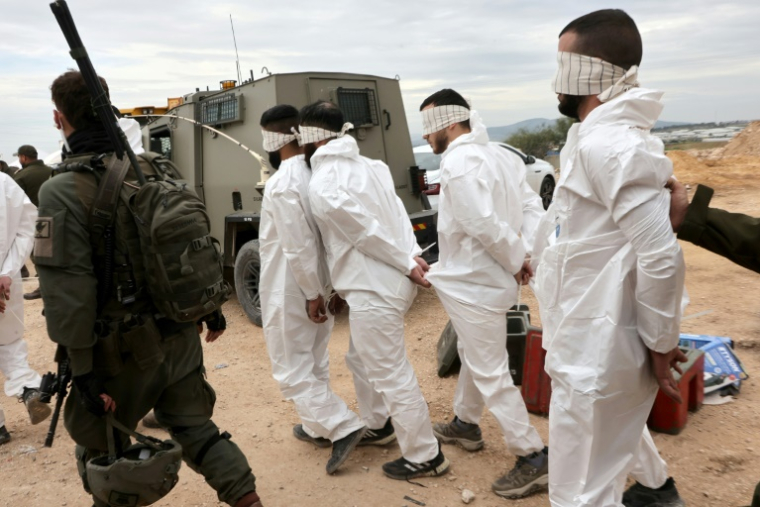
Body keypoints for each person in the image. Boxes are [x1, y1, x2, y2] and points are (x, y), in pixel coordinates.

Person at [36, 70, 262, 507]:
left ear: (58, 118)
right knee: (197, 430)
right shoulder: (156, 168)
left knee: (104, 449)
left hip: (120, 353)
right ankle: (249, 501)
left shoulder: (61, 190)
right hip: (179, 335)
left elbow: (68, 291)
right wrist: (209, 305)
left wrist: (82, 369)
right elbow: (191, 242)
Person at [532, 10, 687, 507]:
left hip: (597, 346)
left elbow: (661, 253)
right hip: (582, 331)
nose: (555, 81)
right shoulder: (592, 138)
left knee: (580, 491)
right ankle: (657, 488)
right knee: (596, 457)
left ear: (588, 72)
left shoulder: (611, 145)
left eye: (563, 64)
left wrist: (663, 341)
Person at [303, 100, 449, 481]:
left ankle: (425, 456)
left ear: (308, 137)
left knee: (390, 373)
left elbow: (364, 231)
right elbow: (398, 215)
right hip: (389, 281)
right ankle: (378, 424)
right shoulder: (374, 166)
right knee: (359, 358)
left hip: (375, 287)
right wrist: (412, 256)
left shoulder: (323, 184)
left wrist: (405, 261)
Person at [419, 89, 549, 499]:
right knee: (479, 353)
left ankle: (532, 455)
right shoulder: (500, 155)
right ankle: (465, 422)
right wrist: (524, 252)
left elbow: (482, 223)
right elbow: (531, 207)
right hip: (493, 282)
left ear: (450, 122)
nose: (425, 137)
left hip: (475, 282)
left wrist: (516, 259)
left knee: (489, 366)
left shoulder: (457, 162)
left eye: (428, 126)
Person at [258, 104, 368, 475]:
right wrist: (325, 287)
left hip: (291, 288)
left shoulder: (281, 184)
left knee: (291, 368)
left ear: (272, 141)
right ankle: (315, 425)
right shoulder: (315, 173)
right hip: (321, 282)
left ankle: (342, 425)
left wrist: (311, 293)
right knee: (315, 358)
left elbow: (297, 245)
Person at [0, 171, 52, 446]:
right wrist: (7, 271)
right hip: (7, 284)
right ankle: (28, 387)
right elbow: (29, 227)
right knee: (9, 343)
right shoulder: (5, 183)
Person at [12, 145, 52, 300]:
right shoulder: (50, 170)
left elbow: (17, 203)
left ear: (23, 157)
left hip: (36, 222)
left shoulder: (22, 176)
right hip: (56, 218)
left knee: (38, 256)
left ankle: (44, 287)